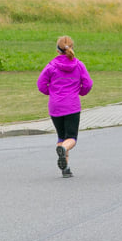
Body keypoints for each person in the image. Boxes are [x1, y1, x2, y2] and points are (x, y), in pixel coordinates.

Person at [37, 36, 93, 178]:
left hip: (55, 106)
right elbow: (88, 84)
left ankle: (66, 168)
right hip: (72, 105)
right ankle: (63, 149)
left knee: (61, 136)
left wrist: (51, 92)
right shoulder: (79, 65)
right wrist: (80, 92)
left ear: (57, 50)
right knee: (71, 138)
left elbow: (41, 84)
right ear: (72, 48)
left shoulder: (51, 66)